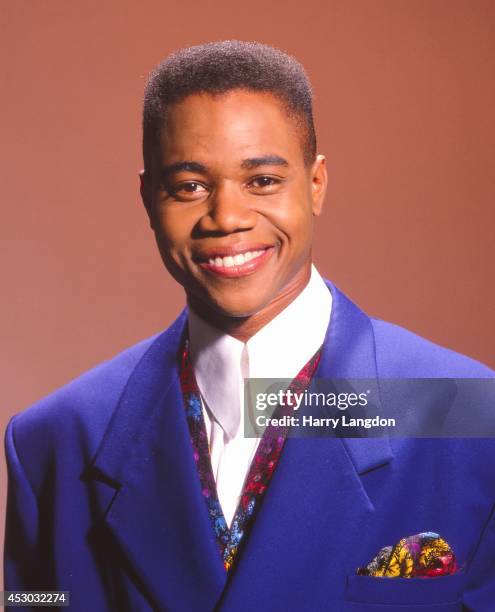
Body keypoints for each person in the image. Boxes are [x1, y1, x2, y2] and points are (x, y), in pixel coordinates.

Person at [4, 41, 495, 611]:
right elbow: (35, 601)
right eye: (190, 186)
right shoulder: (56, 442)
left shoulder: (467, 416)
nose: (227, 217)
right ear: (147, 198)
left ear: (316, 185)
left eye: (262, 181)